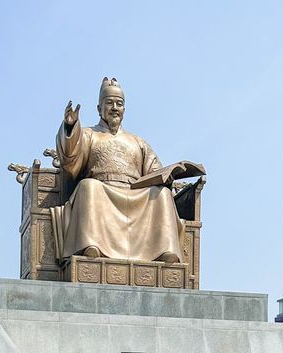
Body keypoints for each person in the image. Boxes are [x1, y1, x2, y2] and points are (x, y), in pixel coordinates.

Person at [50, 77, 184, 264]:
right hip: (102, 190)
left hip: (136, 193)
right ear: (99, 109)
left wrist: (168, 176)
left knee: (162, 194)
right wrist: (71, 128)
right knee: (88, 186)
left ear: (124, 109)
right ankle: (91, 246)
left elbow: (154, 171)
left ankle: (165, 251)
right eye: (109, 103)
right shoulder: (89, 134)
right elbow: (70, 161)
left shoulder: (137, 141)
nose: (114, 108)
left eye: (119, 104)